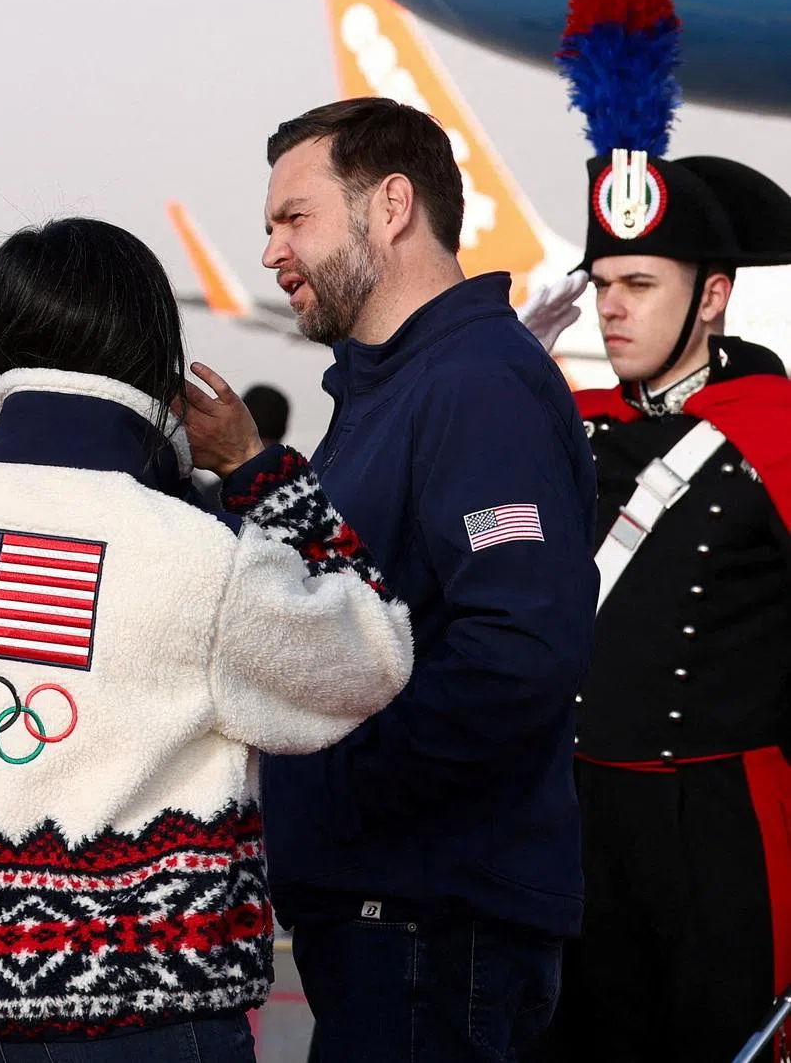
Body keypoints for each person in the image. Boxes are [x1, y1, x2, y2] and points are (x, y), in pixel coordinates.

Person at [0, 217, 414, 1062]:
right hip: (157, 1012)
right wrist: (260, 476)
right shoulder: (201, 554)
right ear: (151, 355)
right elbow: (372, 656)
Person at [183, 96, 599, 1063]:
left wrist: (342, 776)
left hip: (434, 924)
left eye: (296, 218)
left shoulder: (476, 385)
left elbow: (520, 652)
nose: (274, 252)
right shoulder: (395, 388)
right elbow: (354, 596)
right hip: (392, 917)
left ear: (392, 206)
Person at [535, 0, 791, 1061]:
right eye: (604, 285)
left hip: (725, 836)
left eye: (641, 284)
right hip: (578, 832)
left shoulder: (779, 436)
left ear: (715, 296)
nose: (615, 310)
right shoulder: (567, 426)